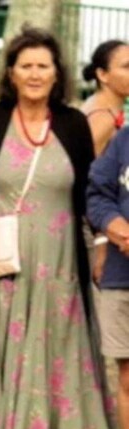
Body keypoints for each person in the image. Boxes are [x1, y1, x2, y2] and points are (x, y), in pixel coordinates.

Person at [0, 26, 114, 429]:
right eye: (25, 65)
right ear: (10, 72)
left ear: (56, 73)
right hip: (2, 261)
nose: (33, 73)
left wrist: (101, 246)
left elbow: (91, 190)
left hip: (61, 260)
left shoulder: (71, 124)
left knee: (54, 347)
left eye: (42, 65)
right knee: (5, 345)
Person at [88, 128, 129, 429]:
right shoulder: (123, 141)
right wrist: (116, 228)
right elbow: (97, 195)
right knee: (128, 374)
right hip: (123, 276)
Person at [80, 41, 129, 285]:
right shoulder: (102, 119)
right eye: (127, 67)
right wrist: (101, 243)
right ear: (102, 75)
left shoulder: (106, 110)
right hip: (94, 230)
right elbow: (85, 183)